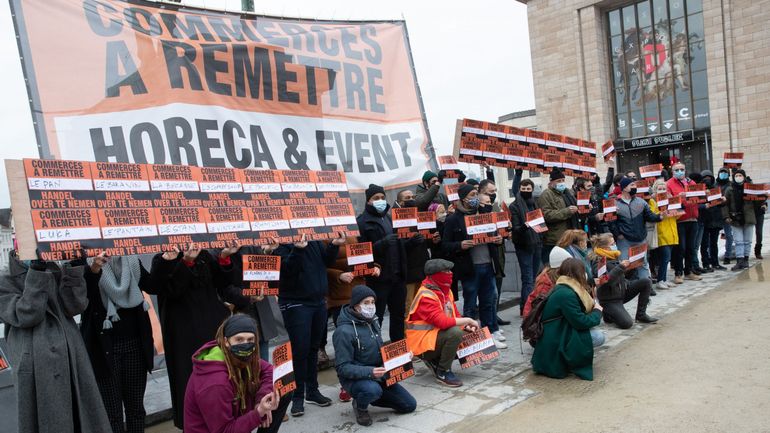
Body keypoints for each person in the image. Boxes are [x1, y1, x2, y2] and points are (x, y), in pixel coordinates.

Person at [0, 251, 112, 433]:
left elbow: (74, 306)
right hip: (36, 365)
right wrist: (36, 271)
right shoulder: (5, 279)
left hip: (71, 357)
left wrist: (76, 266)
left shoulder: (53, 268)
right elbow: (27, 314)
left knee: (82, 418)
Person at [148, 245, 233, 429]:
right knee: (188, 386)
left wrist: (225, 257)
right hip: (183, 339)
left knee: (219, 383)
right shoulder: (163, 259)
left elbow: (223, 282)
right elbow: (169, 290)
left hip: (213, 332)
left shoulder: (205, 256)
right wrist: (186, 262)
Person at [81, 253, 155, 433]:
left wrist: (168, 259)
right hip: (104, 350)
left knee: (136, 410)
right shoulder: (84, 264)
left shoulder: (132, 261)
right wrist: (94, 270)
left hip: (135, 346)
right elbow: (81, 298)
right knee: (111, 414)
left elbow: (153, 285)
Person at [273, 233, 344, 416]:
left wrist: (334, 245)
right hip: (296, 304)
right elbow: (287, 272)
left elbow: (326, 261)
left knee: (313, 349)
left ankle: (312, 391)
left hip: (318, 302)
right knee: (300, 351)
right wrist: (298, 249)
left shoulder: (314, 239)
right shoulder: (281, 243)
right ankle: (297, 397)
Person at [184, 314, 289, 433]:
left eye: (250, 340)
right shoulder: (215, 383)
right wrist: (259, 412)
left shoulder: (239, 357)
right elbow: (224, 431)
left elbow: (270, 370)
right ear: (226, 341)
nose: (245, 344)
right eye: (239, 339)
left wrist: (261, 398)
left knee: (282, 388)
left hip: (234, 421)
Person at [333, 285, 417, 426]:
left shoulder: (373, 321)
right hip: (356, 379)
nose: (371, 306)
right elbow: (342, 368)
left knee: (409, 405)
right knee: (372, 390)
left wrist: (402, 357)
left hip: (379, 374)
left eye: (372, 302)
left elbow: (381, 350)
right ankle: (361, 406)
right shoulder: (343, 332)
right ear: (355, 305)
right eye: (366, 303)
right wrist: (370, 372)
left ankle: (371, 395)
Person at [441, 183, 506, 348]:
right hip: (470, 268)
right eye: (472, 195)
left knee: (488, 301)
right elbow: (445, 245)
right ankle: (470, 338)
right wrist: (460, 245)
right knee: (470, 304)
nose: (475, 198)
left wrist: (499, 240)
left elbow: (495, 234)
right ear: (463, 198)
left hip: (487, 264)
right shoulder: (453, 219)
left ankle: (490, 333)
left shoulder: (485, 214)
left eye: (476, 194)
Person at [357, 184, 422, 343]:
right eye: (376, 198)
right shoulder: (362, 222)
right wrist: (381, 244)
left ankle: (397, 348)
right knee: (376, 317)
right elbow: (359, 255)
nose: (380, 200)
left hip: (398, 276)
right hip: (378, 280)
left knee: (398, 315)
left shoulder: (390, 218)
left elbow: (399, 247)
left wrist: (412, 242)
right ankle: (376, 349)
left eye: (382, 198)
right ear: (368, 200)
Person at [322, 236, 381, 402]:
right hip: (340, 296)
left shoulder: (354, 237)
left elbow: (367, 258)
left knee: (366, 338)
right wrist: (338, 275)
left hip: (361, 294)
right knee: (346, 341)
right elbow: (320, 266)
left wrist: (375, 267)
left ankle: (369, 373)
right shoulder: (326, 240)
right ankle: (346, 383)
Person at [405, 259, 479, 387]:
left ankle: (436, 360)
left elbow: (455, 315)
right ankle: (443, 371)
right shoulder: (425, 295)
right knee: (455, 333)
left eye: (450, 270)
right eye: (446, 271)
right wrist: (468, 320)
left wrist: (466, 326)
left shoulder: (445, 291)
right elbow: (443, 322)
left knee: (465, 331)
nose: (450, 273)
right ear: (435, 275)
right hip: (422, 344)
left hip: (435, 336)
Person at [531, 258, 604, 381]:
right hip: (556, 338)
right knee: (598, 336)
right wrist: (597, 311)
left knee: (593, 332)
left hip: (557, 332)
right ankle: (568, 360)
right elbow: (581, 322)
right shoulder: (567, 293)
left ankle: (569, 360)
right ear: (579, 273)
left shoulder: (563, 287)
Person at [218, 242, 281, 363]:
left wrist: (267, 252)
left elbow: (267, 273)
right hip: (238, 316)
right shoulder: (218, 251)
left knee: (263, 364)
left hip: (261, 314)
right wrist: (248, 297)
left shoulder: (251, 245)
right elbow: (223, 288)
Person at [589, 234, 659, 328]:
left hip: (622, 291)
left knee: (646, 281)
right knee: (627, 323)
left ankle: (641, 315)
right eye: (612, 243)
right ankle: (607, 312)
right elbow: (605, 280)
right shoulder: (598, 260)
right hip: (610, 299)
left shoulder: (614, 255)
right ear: (605, 247)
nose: (615, 245)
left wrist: (631, 267)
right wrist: (621, 267)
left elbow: (621, 277)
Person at [609, 177, 662, 280]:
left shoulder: (641, 202)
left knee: (643, 264)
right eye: (632, 185)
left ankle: (646, 286)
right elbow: (611, 222)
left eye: (635, 185)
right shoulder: (615, 203)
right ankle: (623, 288)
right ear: (624, 188)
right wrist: (618, 234)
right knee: (623, 265)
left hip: (640, 238)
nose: (635, 187)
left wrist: (660, 217)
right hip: (624, 240)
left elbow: (649, 216)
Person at [509, 177, 543, 315]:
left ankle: (529, 304)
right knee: (527, 278)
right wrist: (525, 226)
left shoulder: (535, 204)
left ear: (532, 190)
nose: (526, 191)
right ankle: (526, 308)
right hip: (524, 246)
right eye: (523, 189)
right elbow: (516, 229)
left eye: (528, 189)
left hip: (537, 244)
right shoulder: (514, 206)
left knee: (534, 276)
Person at [479, 178, 510, 326]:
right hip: (486, 256)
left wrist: (506, 230)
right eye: (491, 192)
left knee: (497, 289)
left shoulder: (496, 207)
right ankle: (489, 322)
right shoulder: (479, 210)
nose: (493, 195)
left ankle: (494, 317)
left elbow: (500, 230)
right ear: (482, 192)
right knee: (489, 292)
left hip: (499, 252)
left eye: (494, 192)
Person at [722, 170, 767, 271]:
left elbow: (757, 203)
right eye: (736, 175)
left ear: (744, 177)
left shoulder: (750, 189)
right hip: (734, 218)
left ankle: (745, 260)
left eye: (740, 175)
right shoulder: (730, 189)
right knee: (738, 241)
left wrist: (763, 198)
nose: (738, 177)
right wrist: (726, 217)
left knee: (747, 241)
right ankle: (739, 260)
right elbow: (725, 204)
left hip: (748, 217)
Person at [667, 162, 703, 283]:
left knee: (691, 248)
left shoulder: (691, 182)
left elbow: (698, 197)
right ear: (672, 172)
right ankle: (678, 273)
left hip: (693, 219)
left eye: (682, 169)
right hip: (679, 220)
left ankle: (689, 271)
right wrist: (679, 196)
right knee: (680, 248)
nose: (680, 171)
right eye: (677, 170)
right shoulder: (669, 184)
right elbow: (667, 202)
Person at [537, 168, 579, 265]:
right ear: (551, 182)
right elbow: (547, 215)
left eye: (563, 180)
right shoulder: (546, 195)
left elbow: (576, 207)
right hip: (554, 240)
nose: (561, 183)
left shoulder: (567, 193)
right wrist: (567, 211)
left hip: (569, 238)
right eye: (558, 181)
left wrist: (584, 207)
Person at [648, 179, 681, 290]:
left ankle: (664, 279)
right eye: (659, 189)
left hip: (672, 232)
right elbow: (652, 215)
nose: (662, 191)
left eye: (664, 189)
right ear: (655, 190)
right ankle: (660, 280)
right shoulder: (653, 201)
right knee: (664, 257)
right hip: (661, 232)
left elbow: (677, 216)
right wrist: (661, 213)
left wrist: (676, 212)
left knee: (668, 258)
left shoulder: (671, 200)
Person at [522, 246, 571, 317]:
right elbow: (541, 311)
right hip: (537, 322)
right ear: (560, 268)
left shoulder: (554, 279)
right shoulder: (546, 284)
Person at [699, 170, 727, 272]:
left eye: (709, 177)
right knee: (704, 243)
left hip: (715, 219)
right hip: (705, 220)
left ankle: (715, 263)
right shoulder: (699, 191)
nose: (707, 179)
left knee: (714, 243)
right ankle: (706, 263)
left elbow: (719, 204)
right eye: (705, 177)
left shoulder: (715, 189)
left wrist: (723, 201)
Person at [716, 166, 736, 264]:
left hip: (727, 214)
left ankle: (728, 255)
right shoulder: (715, 185)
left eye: (725, 173)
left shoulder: (731, 185)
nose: (723, 174)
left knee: (729, 235)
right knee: (713, 237)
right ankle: (712, 257)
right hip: (715, 214)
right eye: (721, 172)